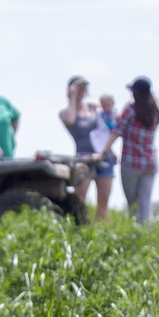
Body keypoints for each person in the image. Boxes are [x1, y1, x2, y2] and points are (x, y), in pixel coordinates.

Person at [99, 77, 159, 223]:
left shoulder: (131, 110)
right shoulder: (155, 112)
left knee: (132, 204)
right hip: (150, 163)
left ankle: (135, 234)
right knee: (145, 204)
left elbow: (117, 130)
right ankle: (146, 235)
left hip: (131, 162)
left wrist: (104, 151)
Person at [59, 75, 114, 222]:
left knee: (103, 201)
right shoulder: (65, 113)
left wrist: (111, 151)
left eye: (83, 88)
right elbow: (71, 120)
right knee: (79, 200)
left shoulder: (93, 108)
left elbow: (105, 129)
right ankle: (79, 229)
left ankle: (100, 234)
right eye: (78, 88)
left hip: (103, 156)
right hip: (83, 158)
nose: (81, 91)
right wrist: (73, 96)